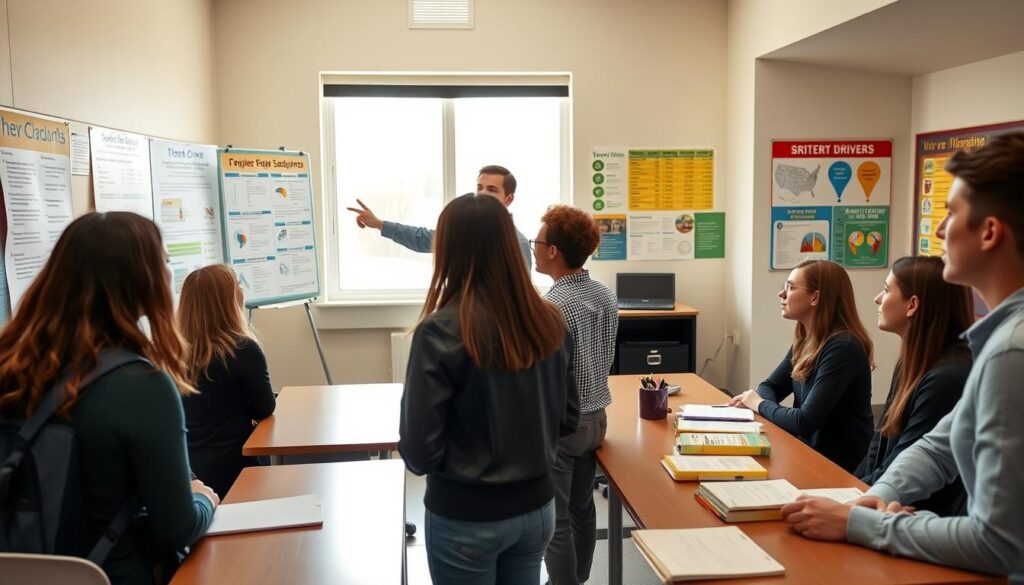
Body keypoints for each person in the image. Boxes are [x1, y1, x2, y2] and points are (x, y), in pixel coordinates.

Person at [781, 132, 1024, 581]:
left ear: (990, 232)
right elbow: (942, 445)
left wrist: (861, 523)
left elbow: (999, 543)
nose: (938, 229)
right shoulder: (998, 340)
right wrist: (877, 494)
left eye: (952, 214)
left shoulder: (1011, 350)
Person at [0, 212, 218, 585]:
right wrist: (203, 499)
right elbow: (177, 527)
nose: (170, 272)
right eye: (164, 261)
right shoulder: (142, 385)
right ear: (142, 281)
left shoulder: (11, 365)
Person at [399, 193, 579, 584]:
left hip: (465, 516)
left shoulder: (439, 330)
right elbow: (568, 419)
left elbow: (418, 452)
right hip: (537, 511)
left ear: (449, 251)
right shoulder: (550, 321)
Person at [532, 205, 617, 585]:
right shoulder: (605, 294)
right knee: (584, 510)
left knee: (556, 521)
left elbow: (550, 379)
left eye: (537, 241)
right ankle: (578, 579)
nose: (532, 247)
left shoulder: (553, 306)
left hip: (566, 427)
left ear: (553, 251)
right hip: (598, 419)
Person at [729, 259, 873, 473]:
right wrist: (760, 402)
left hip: (839, 468)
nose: (782, 294)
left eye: (790, 287)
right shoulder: (807, 339)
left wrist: (758, 405)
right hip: (808, 452)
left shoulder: (843, 347)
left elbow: (804, 421)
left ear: (815, 297)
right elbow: (769, 386)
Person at [856, 255, 972, 516]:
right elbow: (881, 439)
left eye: (886, 290)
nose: (877, 298)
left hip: (917, 513)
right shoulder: (913, 361)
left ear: (912, 305)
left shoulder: (948, 376)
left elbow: (906, 461)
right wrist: (849, 487)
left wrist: (855, 500)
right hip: (885, 498)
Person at [177, 263, 276, 498]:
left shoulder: (170, 352)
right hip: (235, 470)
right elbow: (265, 408)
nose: (243, 290)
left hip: (185, 473)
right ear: (227, 300)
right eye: (239, 285)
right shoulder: (242, 348)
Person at [347, 164, 533, 269]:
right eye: (479, 188)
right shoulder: (465, 232)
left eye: (491, 190)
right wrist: (379, 224)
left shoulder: (518, 244)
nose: (482, 194)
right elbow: (422, 239)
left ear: (508, 199)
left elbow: (519, 304)